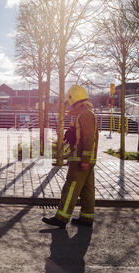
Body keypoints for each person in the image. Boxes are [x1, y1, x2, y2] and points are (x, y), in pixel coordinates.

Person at [42, 85, 99, 228]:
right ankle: (87, 218)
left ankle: (61, 218)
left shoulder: (85, 114)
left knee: (70, 187)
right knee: (87, 189)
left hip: (80, 159)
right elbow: (81, 137)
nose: (68, 105)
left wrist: (84, 159)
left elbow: (88, 139)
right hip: (84, 158)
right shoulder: (84, 114)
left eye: (69, 101)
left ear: (74, 99)